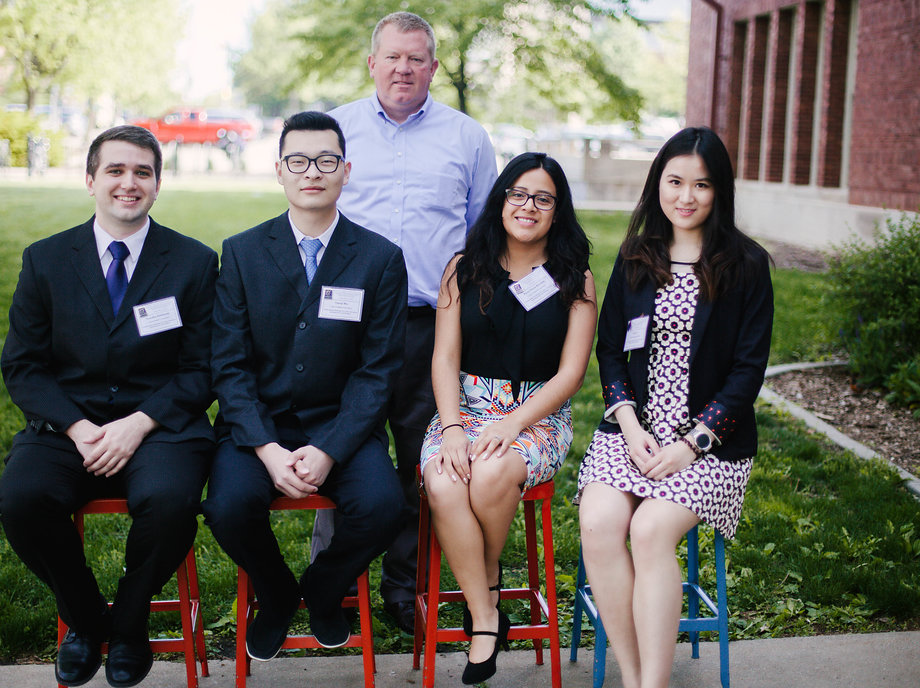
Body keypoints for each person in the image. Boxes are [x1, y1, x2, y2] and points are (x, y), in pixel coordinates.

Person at [0, 125, 218, 688]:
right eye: (115, 171)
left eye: (142, 171)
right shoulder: (45, 260)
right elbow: (23, 366)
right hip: (67, 424)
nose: (128, 183)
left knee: (171, 502)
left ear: (158, 184)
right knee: (22, 501)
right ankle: (90, 617)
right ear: (90, 180)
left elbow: (203, 369)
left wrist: (138, 425)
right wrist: (76, 426)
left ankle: (131, 617)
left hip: (160, 424)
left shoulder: (193, 262)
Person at [202, 111, 408, 663]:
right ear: (279, 171)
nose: (311, 172)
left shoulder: (380, 258)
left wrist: (330, 448)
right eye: (298, 161)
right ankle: (275, 592)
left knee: (386, 505)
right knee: (226, 506)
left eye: (325, 161)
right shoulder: (243, 252)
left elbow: (377, 370)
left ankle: (321, 587)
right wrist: (266, 449)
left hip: (341, 424)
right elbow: (229, 364)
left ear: (346, 171)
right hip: (259, 426)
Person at [318, 11, 499, 633]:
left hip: (430, 327)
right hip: (346, 325)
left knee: (422, 462)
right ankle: (334, 584)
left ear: (433, 67)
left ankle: (404, 587)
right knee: (340, 445)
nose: (403, 68)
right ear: (372, 62)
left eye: (416, 58)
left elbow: (485, 235)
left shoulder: (467, 139)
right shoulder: (334, 130)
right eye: (392, 57)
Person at [574, 126, 774, 688]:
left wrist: (692, 444)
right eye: (675, 181)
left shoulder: (747, 265)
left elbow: (747, 372)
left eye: (702, 185)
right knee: (599, 521)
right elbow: (611, 348)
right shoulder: (639, 257)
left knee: (652, 530)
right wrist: (631, 425)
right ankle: (636, 674)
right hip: (632, 435)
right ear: (657, 183)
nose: (686, 196)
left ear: (720, 192)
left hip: (710, 447)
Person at [422, 152, 597, 684]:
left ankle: (484, 577)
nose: (528, 206)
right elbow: (445, 359)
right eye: (518, 194)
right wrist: (453, 427)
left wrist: (513, 422)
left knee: (495, 470)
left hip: (537, 414)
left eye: (543, 198)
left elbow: (571, 375)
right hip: (466, 409)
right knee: (446, 480)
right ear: (500, 199)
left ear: (557, 209)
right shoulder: (463, 267)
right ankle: (486, 611)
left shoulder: (575, 278)